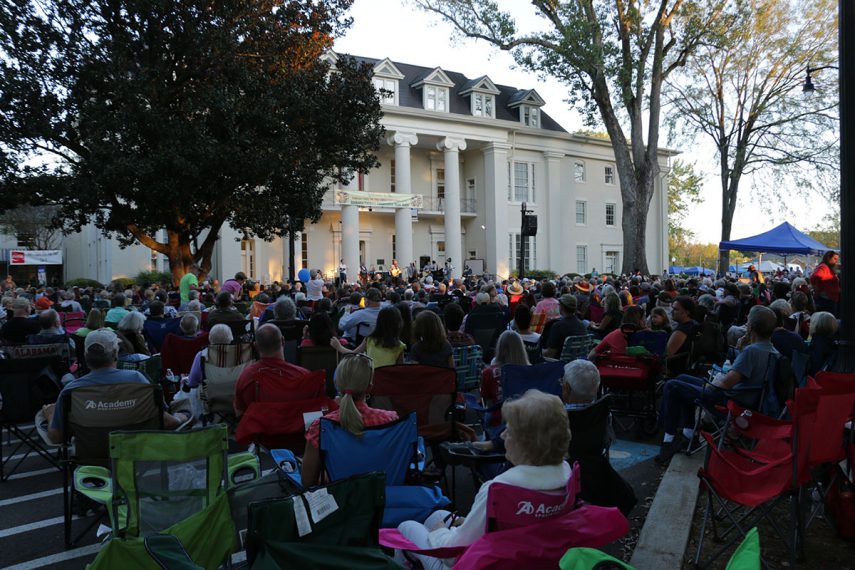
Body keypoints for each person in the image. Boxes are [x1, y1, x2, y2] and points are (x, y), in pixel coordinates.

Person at [395, 389, 573, 570]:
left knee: (406, 528)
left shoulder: (499, 490)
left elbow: (452, 553)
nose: (502, 436)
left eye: (508, 431)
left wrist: (439, 532)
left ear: (525, 443)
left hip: (480, 564)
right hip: (529, 558)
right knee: (438, 515)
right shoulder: (566, 480)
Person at [657, 306, 779, 464]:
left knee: (672, 385)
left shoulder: (753, 351)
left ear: (751, 326)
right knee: (682, 378)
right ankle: (688, 434)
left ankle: (669, 439)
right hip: (744, 399)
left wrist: (711, 384)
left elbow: (727, 383)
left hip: (729, 400)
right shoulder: (772, 350)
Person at [42, 330, 190, 443]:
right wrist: (183, 416)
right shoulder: (137, 380)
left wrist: (50, 415)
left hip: (91, 458)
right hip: (135, 451)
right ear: (115, 355)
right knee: (184, 406)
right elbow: (166, 421)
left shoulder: (71, 390)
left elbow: (56, 437)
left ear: (86, 356)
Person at [301, 354, 399, 486]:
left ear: (337, 384)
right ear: (369, 387)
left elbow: (307, 482)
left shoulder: (320, 427)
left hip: (340, 501)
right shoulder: (391, 420)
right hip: (384, 495)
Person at [233, 324, 310, 415]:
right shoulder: (304, 376)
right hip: (296, 428)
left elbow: (239, 411)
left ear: (256, 346)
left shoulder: (246, 378)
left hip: (259, 428)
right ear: (283, 341)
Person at [480, 331, 530, 430]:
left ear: (500, 348)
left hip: (499, 421)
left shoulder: (488, 372)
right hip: (525, 419)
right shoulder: (530, 371)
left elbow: (488, 401)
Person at [331, 306, 406, 367]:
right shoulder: (400, 346)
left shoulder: (370, 339)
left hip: (370, 381)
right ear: (398, 324)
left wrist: (339, 347)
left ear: (379, 322)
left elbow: (353, 354)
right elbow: (399, 370)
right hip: (387, 382)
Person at [186, 324, 233, 389]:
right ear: (230, 339)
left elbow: (192, 382)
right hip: (233, 394)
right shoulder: (238, 354)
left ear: (210, 338)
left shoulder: (202, 355)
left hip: (209, 395)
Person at [543, 294, 587, 359]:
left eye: (559, 305)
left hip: (559, 363)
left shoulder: (558, 326)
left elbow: (550, 353)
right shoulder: (582, 325)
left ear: (562, 306)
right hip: (576, 362)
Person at [810, 251, 840, 316]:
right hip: (826, 301)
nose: (836, 261)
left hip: (830, 300)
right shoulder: (823, 267)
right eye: (835, 259)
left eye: (837, 259)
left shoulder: (828, 267)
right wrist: (817, 291)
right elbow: (814, 277)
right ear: (828, 258)